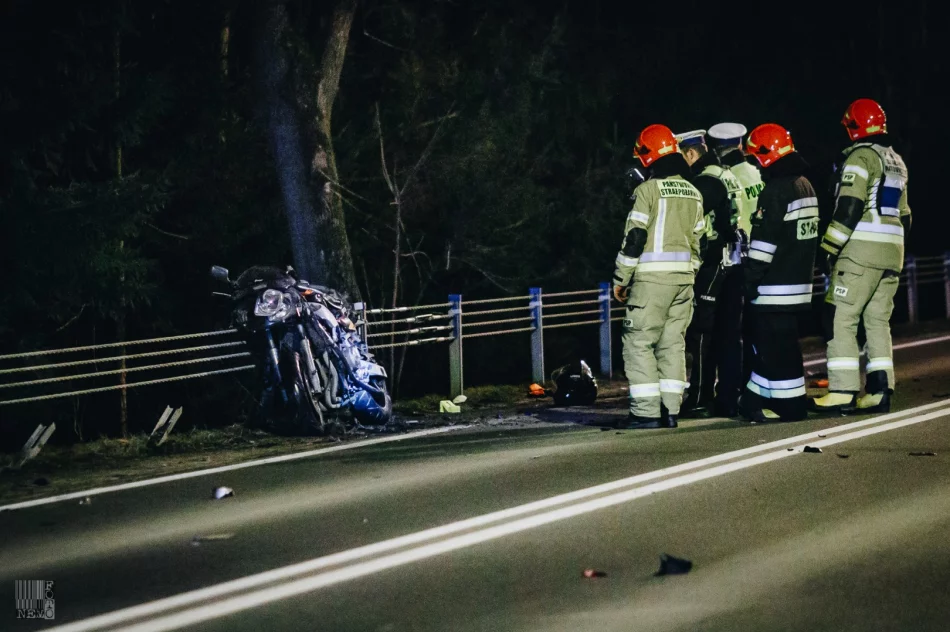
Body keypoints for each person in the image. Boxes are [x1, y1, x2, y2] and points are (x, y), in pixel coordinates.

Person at [811, 99, 910, 414]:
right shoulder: (896, 161)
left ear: (853, 127)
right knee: (877, 321)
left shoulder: (860, 157)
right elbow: (906, 216)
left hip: (860, 252)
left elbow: (850, 207)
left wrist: (828, 248)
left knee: (839, 316)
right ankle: (880, 391)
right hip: (893, 253)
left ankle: (842, 390)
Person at [613, 124, 706, 429]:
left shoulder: (647, 190)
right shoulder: (694, 192)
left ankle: (645, 411)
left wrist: (621, 278)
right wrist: (690, 272)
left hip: (652, 282)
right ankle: (670, 410)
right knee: (672, 344)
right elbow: (698, 241)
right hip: (684, 281)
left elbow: (635, 238)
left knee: (638, 341)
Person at [738, 123, 818, 422]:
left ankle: (780, 405)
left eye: (755, 158)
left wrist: (748, 281)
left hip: (774, 288)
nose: (754, 164)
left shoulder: (775, 190)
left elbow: (763, 245)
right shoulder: (805, 185)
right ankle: (771, 400)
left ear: (766, 155)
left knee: (773, 350)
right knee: (783, 349)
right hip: (799, 285)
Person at [676, 129, 742, 417]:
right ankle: (726, 395)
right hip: (733, 262)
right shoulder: (725, 173)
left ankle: (700, 396)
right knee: (726, 332)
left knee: (701, 330)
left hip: (714, 261)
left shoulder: (704, 181)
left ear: (691, 154)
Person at [707, 123, 765, 398]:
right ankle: (752, 384)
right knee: (755, 328)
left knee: (728, 329)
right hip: (762, 257)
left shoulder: (727, 177)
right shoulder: (755, 172)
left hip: (736, 258)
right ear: (741, 145)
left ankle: (729, 389)